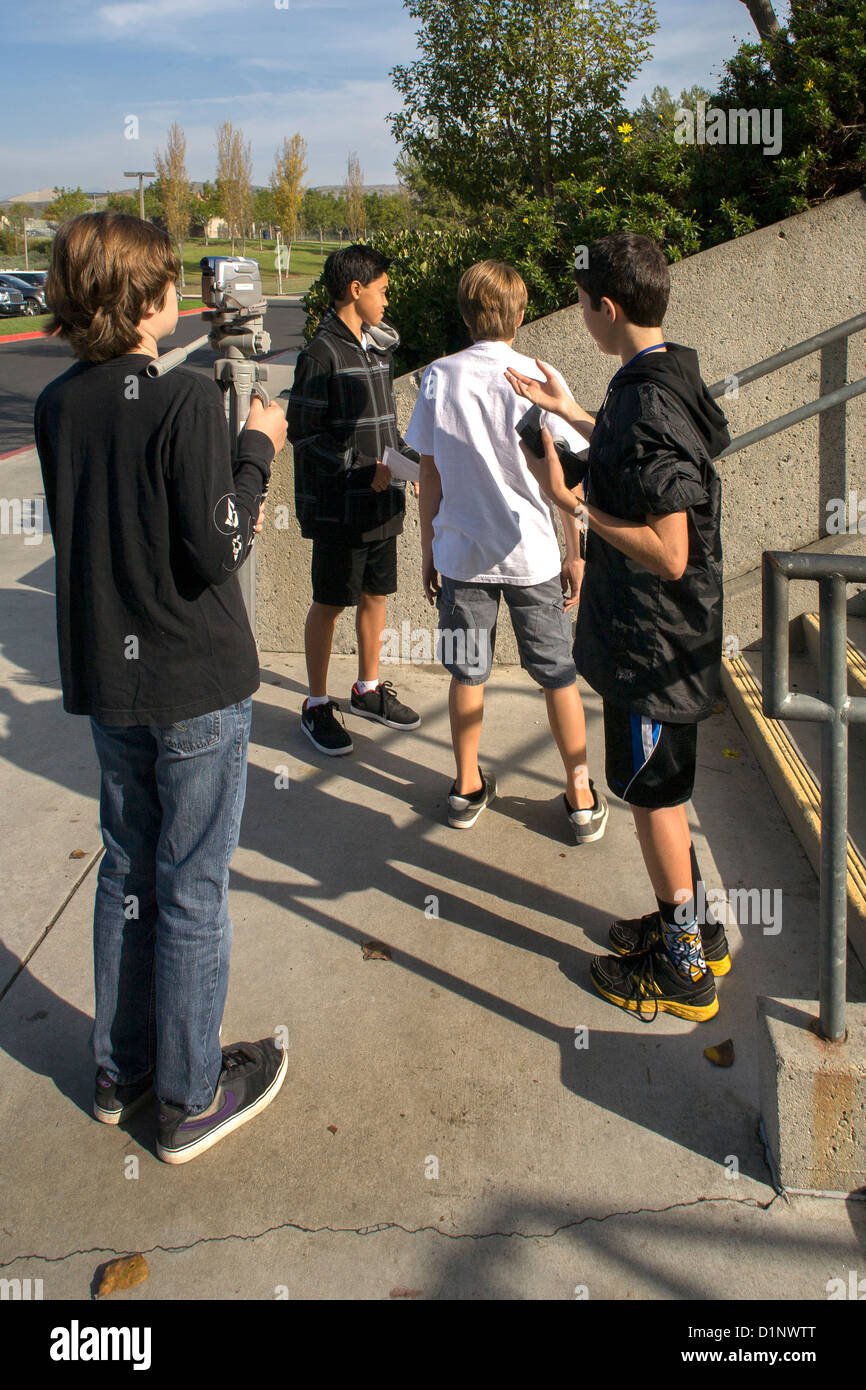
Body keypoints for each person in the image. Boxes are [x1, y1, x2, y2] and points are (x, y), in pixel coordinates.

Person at [34, 210, 290, 1162]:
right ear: (144, 299)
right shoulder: (183, 401)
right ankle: (188, 1096)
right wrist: (258, 446)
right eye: (173, 281)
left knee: (128, 870)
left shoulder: (61, 404)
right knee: (191, 887)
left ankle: (122, 1068)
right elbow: (220, 545)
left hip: (112, 684)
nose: (185, 296)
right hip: (196, 682)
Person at [506, 232, 732, 1021]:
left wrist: (574, 505)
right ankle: (697, 925)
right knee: (660, 789)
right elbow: (645, 455)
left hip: (652, 641)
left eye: (580, 304)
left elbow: (671, 550)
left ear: (606, 308)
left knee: (652, 799)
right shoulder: (668, 372)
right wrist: (570, 411)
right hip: (668, 638)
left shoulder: (643, 397)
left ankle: (684, 971)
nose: (579, 315)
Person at [405, 259, 607, 839]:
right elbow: (566, 477)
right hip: (534, 555)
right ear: (520, 314)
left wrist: (428, 549)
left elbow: (430, 473)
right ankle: (580, 793)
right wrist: (576, 552)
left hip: (463, 557)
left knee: (468, 673)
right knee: (557, 674)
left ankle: (467, 785)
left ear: (466, 314)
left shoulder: (439, 377)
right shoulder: (539, 375)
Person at [287, 244, 421, 755]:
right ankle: (316, 702)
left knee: (376, 594)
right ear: (356, 290)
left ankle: (366, 689)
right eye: (382, 291)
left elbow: (386, 427)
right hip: (340, 508)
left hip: (381, 505)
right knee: (329, 602)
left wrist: (411, 461)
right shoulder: (320, 354)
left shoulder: (376, 349)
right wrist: (362, 471)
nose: (387, 301)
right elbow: (305, 434)